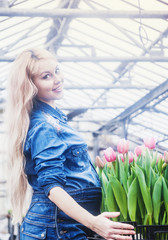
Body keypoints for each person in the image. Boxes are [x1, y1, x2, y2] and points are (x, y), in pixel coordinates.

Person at [6, 48, 135, 240]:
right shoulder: (44, 126)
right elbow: (53, 187)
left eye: (57, 70)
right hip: (56, 227)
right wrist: (94, 223)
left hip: (64, 225)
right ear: (30, 86)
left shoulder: (55, 120)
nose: (57, 79)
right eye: (46, 76)